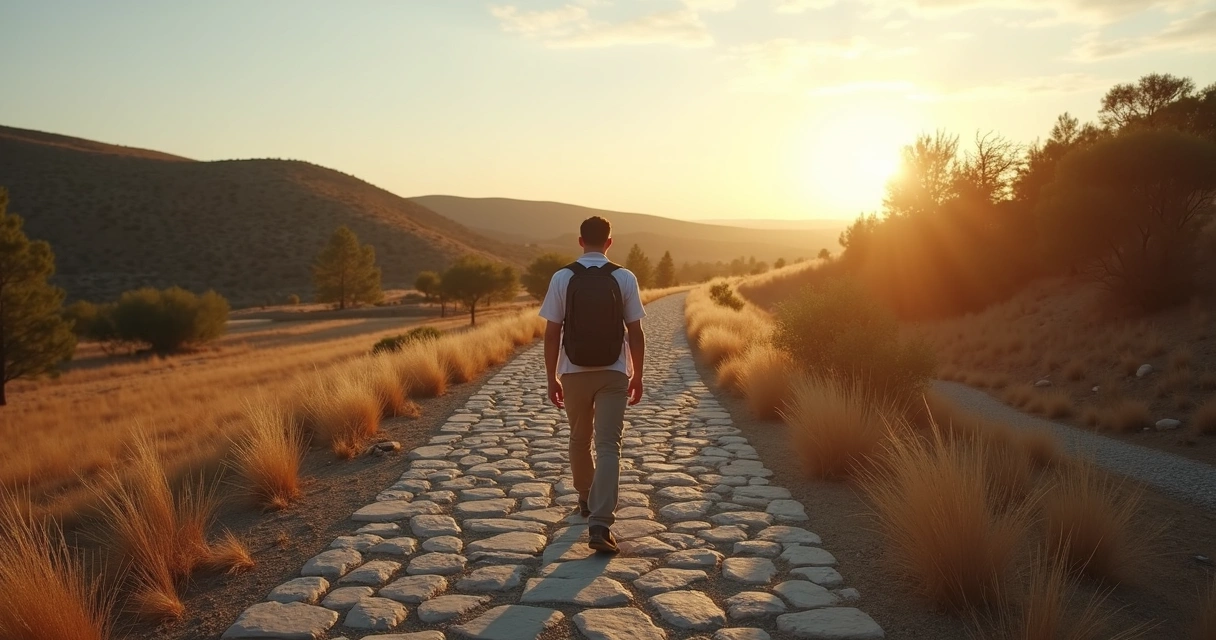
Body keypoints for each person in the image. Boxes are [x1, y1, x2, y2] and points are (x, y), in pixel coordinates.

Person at [539, 216, 646, 554]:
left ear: (580, 240)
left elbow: (552, 331)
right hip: (614, 371)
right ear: (610, 242)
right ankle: (600, 522)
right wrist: (638, 374)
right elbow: (636, 331)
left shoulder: (562, 277)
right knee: (609, 446)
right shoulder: (624, 277)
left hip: (573, 371)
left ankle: (585, 499)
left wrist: (551, 376)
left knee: (579, 437)